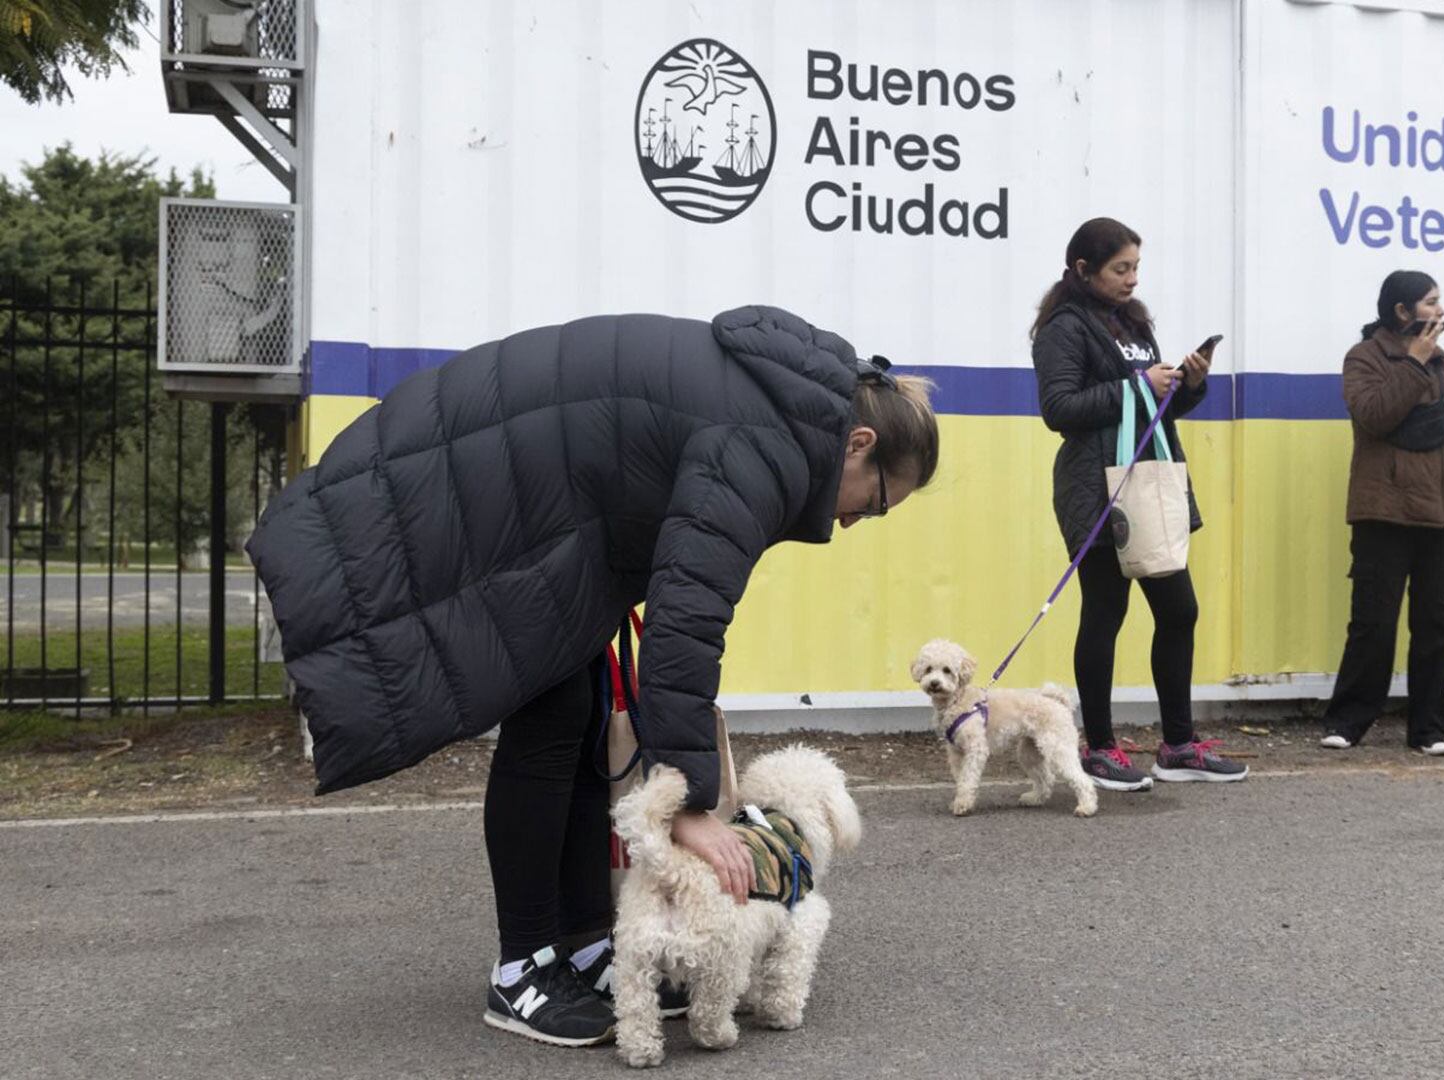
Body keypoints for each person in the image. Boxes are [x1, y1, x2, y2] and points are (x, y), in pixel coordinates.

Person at [247, 306, 940, 1047]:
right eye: (873, 501)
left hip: (541, 498)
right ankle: (522, 970)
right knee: (546, 720)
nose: (854, 523)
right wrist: (689, 803)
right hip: (503, 495)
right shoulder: (764, 444)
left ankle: (580, 942)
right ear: (858, 443)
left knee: (580, 709)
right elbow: (687, 620)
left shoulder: (780, 411)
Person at [1030, 216, 1247, 790]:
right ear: (1083, 270)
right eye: (1120, 269)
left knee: (1179, 610)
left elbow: (1153, 409)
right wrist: (1136, 386)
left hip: (1148, 479)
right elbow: (1059, 408)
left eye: (1136, 268)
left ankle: (1177, 746)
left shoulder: (1133, 321)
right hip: (1094, 487)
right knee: (1106, 611)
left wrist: (1186, 384)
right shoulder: (1062, 327)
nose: (1131, 279)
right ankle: (1098, 747)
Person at [1319, 271, 1444, 756]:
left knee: (1439, 623)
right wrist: (1413, 364)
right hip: (1385, 512)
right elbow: (1373, 414)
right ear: (1402, 311)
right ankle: (1349, 720)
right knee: (1373, 622)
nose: (1439, 311)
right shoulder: (1365, 358)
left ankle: (1429, 728)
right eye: (1431, 302)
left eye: (1440, 302)